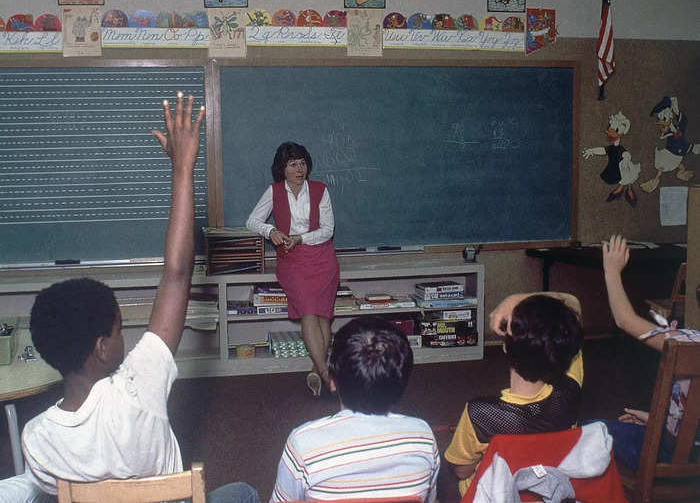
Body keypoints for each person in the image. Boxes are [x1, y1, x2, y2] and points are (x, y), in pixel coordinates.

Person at [18, 93, 259, 503]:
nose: (124, 336)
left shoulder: (36, 437)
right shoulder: (139, 387)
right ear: (101, 348)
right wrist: (183, 168)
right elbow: (177, 274)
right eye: (117, 329)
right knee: (244, 492)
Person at [269, 317, 440, 503]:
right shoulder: (422, 437)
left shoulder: (303, 443)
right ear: (402, 383)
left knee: (242, 492)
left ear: (332, 381)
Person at [445, 292, 584, 496]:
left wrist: (508, 300)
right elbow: (574, 303)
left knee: (444, 473)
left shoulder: (480, 414)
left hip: (495, 495)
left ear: (505, 346)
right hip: (548, 490)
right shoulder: (571, 389)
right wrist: (514, 301)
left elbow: (462, 470)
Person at [597, 234, 699, 470]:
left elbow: (625, 320)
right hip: (691, 450)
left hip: (674, 454)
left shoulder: (688, 341)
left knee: (594, 430)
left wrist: (612, 271)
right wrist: (657, 421)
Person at [246, 142, 340, 397]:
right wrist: (271, 230)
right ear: (282, 169)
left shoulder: (320, 190)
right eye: (293, 164)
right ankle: (325, 373)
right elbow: (252, 221)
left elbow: (327, 230)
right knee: (309, 311)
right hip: (292, 261)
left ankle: (316, 369)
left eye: (302, 163)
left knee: (323, 316)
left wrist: (301, 238)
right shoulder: (274, 191)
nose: (300, 169)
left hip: (322, 258)